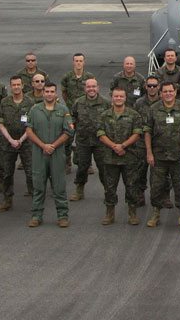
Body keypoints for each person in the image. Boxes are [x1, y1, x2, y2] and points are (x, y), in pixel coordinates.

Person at [144, 81, 180, 227]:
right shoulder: (154, 109)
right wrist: (149, 153)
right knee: (156, 187)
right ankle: (156, 214)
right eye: (165, 91)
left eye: (170, 91)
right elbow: (147, 131)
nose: (168, 94)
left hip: (178, 155)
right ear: (160, 93)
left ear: (175, 92)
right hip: (158, 156)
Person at [26, 82, 74, 227]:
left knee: (59, 186)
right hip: (39, 153)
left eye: (52, 91)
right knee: (39, 186)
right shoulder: (34, 110)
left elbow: (68, 131)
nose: (49, 94)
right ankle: (36, 216)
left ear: (56, 93)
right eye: (46, 91)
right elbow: (29, 131)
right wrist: (43, 145)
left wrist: (53, 145)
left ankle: (62, 216)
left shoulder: (63, 110)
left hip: (57, 153)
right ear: (43, 93)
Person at [98, 88, 143, 226]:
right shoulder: (104, 115)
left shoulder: (134, 115)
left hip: (129, 157)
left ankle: (132, 214)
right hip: (110, 157)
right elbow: (100, 133)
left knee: (131, 186)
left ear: (125, 98)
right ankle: (109, 214)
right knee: (110, 187)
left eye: (121, 96)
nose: (118, 98)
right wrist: (114, 146)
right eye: (116, 96)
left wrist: (123, 146)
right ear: (112, 97)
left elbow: (137, 134)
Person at [0, 75, 35, 211]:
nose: (16, 87)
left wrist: (21, 140)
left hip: (26, 143)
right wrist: (11, 140)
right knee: (7, 173)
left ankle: (35, 200)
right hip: (8, 143)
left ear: (22, 86)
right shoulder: (4, 102)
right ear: (10, 86)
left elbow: (31, 124)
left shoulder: (29, 102)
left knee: (31, 173)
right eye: (14, 85)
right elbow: (0, 123)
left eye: (19, 84)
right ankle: (7, 200)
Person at [69, 78, 110, 201]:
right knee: (82, 167)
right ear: (85, 88)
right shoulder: (78, 103)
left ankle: (108, 191)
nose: (91, 89)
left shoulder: (105, 103)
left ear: (98, 88)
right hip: (83, 141)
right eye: (88, 87)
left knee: (103, 168)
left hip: (100, 142)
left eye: (93, 86)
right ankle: (79, 190)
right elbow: (73, 119)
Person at [61, 53, 95, 173]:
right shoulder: (67, 77)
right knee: (67, 138)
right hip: (71, 113)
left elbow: (92, 92)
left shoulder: (89, 76)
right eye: (76, 61)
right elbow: (64, 93)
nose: (78, 63)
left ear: (84, 62)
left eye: (81, 61)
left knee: (86, 138)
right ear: (73, 62)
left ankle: (88, 164)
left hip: (85, 113)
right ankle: (67, 162)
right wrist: (70, 105)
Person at [133, 75, 161, 206]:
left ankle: (162, 196)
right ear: (145, 87)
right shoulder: (139, 103)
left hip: (159, 142)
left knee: (159, 173)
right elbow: (134, 120)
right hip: (141, 143)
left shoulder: (162, 102)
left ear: (158, 87)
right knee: (139, 171)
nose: (152, 88)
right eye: (149, 86)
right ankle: (139, 194)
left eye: (154, 86)